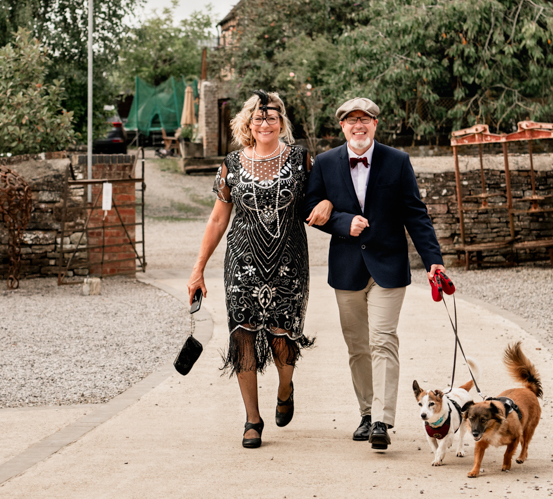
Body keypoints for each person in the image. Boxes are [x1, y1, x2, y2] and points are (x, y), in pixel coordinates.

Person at [186, 91, 333, 449]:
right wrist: (198, 268)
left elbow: (322, 197)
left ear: (282, 122)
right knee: (243, 336)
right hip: (241, 260)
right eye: (258, 118)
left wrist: (328, 202)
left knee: (284, 338)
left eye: (271, 118)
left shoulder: (302, 159)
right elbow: (219, 218)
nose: (265, 124)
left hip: (289, 260)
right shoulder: (232, 164)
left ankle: (285, 389)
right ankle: (252, 419)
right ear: (248, 124)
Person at [305, 97, 445, 451]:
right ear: (342, 126)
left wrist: (434, 261)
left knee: (383, 339)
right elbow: (310, 209)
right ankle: (366, 413)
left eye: (365, 119)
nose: (359, 125)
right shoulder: (324, 163)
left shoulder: (397, 161)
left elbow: (415, 213)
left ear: (375, 124)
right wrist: (342, 221)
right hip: (346, 268)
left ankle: (382, 420)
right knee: (357, 346)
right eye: (351, 120)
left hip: (389, 267)